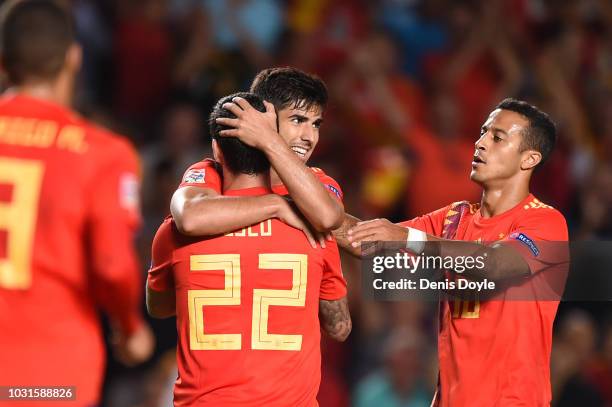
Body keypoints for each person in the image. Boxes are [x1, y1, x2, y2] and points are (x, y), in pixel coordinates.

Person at [337, 99, 569, 406]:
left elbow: (494, 263)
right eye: (483, 132)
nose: (480, 142)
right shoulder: (454, 218)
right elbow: (366, 241)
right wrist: (294, 200)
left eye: (497, 137)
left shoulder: (545, 221)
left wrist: (408, 237)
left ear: (529, 159)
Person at [147, 92, 350, 406]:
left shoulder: (170, 233)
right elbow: (339, 327)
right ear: (274, 144)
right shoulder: (314, 231)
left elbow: (159, 307)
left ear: (216, 149)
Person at [0, 1, 153, 405]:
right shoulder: (103, 154)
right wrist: (129, 326)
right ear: (74, 57)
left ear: (3, 62)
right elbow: (112, 264)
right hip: (48, 375)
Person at [170, 67, 344, 246]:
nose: (310, 137)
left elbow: (329, 218)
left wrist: (269, 140)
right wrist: (277, 205)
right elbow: (189, 218)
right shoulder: (216, 171)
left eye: (316, 124)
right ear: (263, 119)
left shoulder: (319, 182)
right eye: (297, 120)